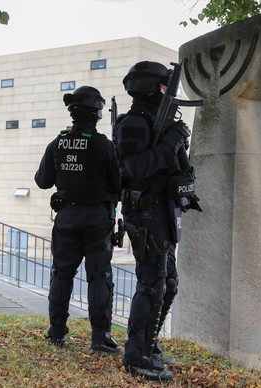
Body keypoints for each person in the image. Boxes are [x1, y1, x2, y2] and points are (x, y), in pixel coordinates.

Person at [113, 61, 201, 380]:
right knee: (152, 284)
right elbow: (137, 169)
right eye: (164, 87)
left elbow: (173, 169)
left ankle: (147, 344)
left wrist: (180, 160)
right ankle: (136, 355)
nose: (168, 93)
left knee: (168, 284)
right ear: (150, 88)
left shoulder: (156, 123)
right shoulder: (134, 124)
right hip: (146, 213)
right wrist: (170, 142)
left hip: (163, 212)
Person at [34, 86, 121, 355]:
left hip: (66, 217)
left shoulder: (57, 143)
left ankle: (56, 331)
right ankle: (100, 337)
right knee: (99, 277)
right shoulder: (104, 145)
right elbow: (120, 185)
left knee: (61, 274)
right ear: (96, 113)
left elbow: (42, 181)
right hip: (97, 218)